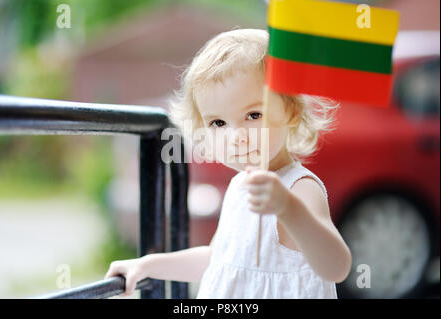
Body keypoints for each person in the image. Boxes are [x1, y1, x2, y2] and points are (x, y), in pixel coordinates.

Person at [105, 28, 352, 298]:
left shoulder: (298, 188)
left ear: (291, 111)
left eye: (253, 114)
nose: (236, 136)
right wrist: (147, 266)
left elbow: (336, 267)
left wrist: (289, 209)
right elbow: (218, 260)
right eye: (219, 123)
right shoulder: (239, 187)